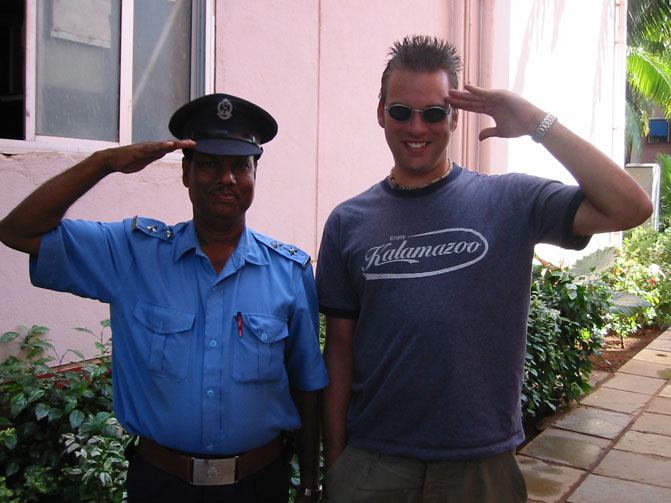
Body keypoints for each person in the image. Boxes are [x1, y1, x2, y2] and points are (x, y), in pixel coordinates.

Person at [316, 35, 652, 502]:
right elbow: (339, 351)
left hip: (481, 467)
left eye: (434, 113)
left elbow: (631, 207)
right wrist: (337, 464)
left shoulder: (509, 201)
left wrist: (536, 122)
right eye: (401, 111)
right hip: (373, 464)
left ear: (455, 117)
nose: (417, 127)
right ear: (381, 113)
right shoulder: (348, 222)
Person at [0, 93, 328, 503]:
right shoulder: (131, 254)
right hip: (160, 485)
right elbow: (18, 231)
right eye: (209, 164)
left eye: (240, 166)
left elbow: (307, 385)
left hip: (259, 485)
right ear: (186, 173)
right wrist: (103, 163)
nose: (227, 178)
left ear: (254, 174)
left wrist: (311, 483)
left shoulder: (289, 272)